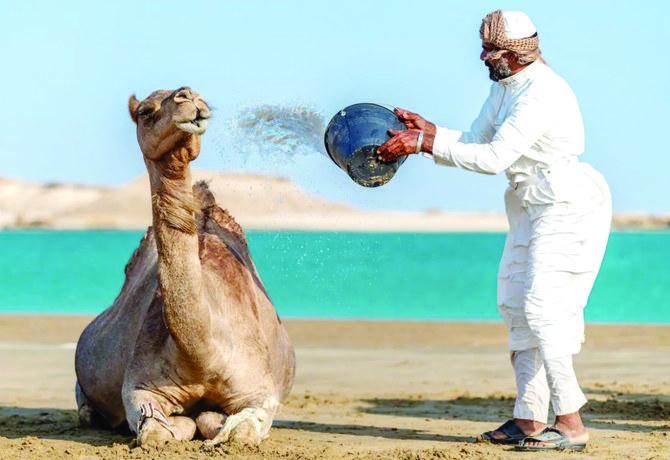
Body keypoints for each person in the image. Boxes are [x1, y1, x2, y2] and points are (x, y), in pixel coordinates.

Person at [377, 9, 611, 451]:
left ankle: (571, 424)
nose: (483, 57)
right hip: (529, 202)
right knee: (514, 304)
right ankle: (528, 418)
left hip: (566, 202)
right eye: (484, 48)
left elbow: (493, 158)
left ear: (518, 53)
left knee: (544, 306)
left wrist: (426, 144)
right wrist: (429, 132)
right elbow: (474, 140)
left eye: (492, 50)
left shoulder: (541, 92)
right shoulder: (505, 87)